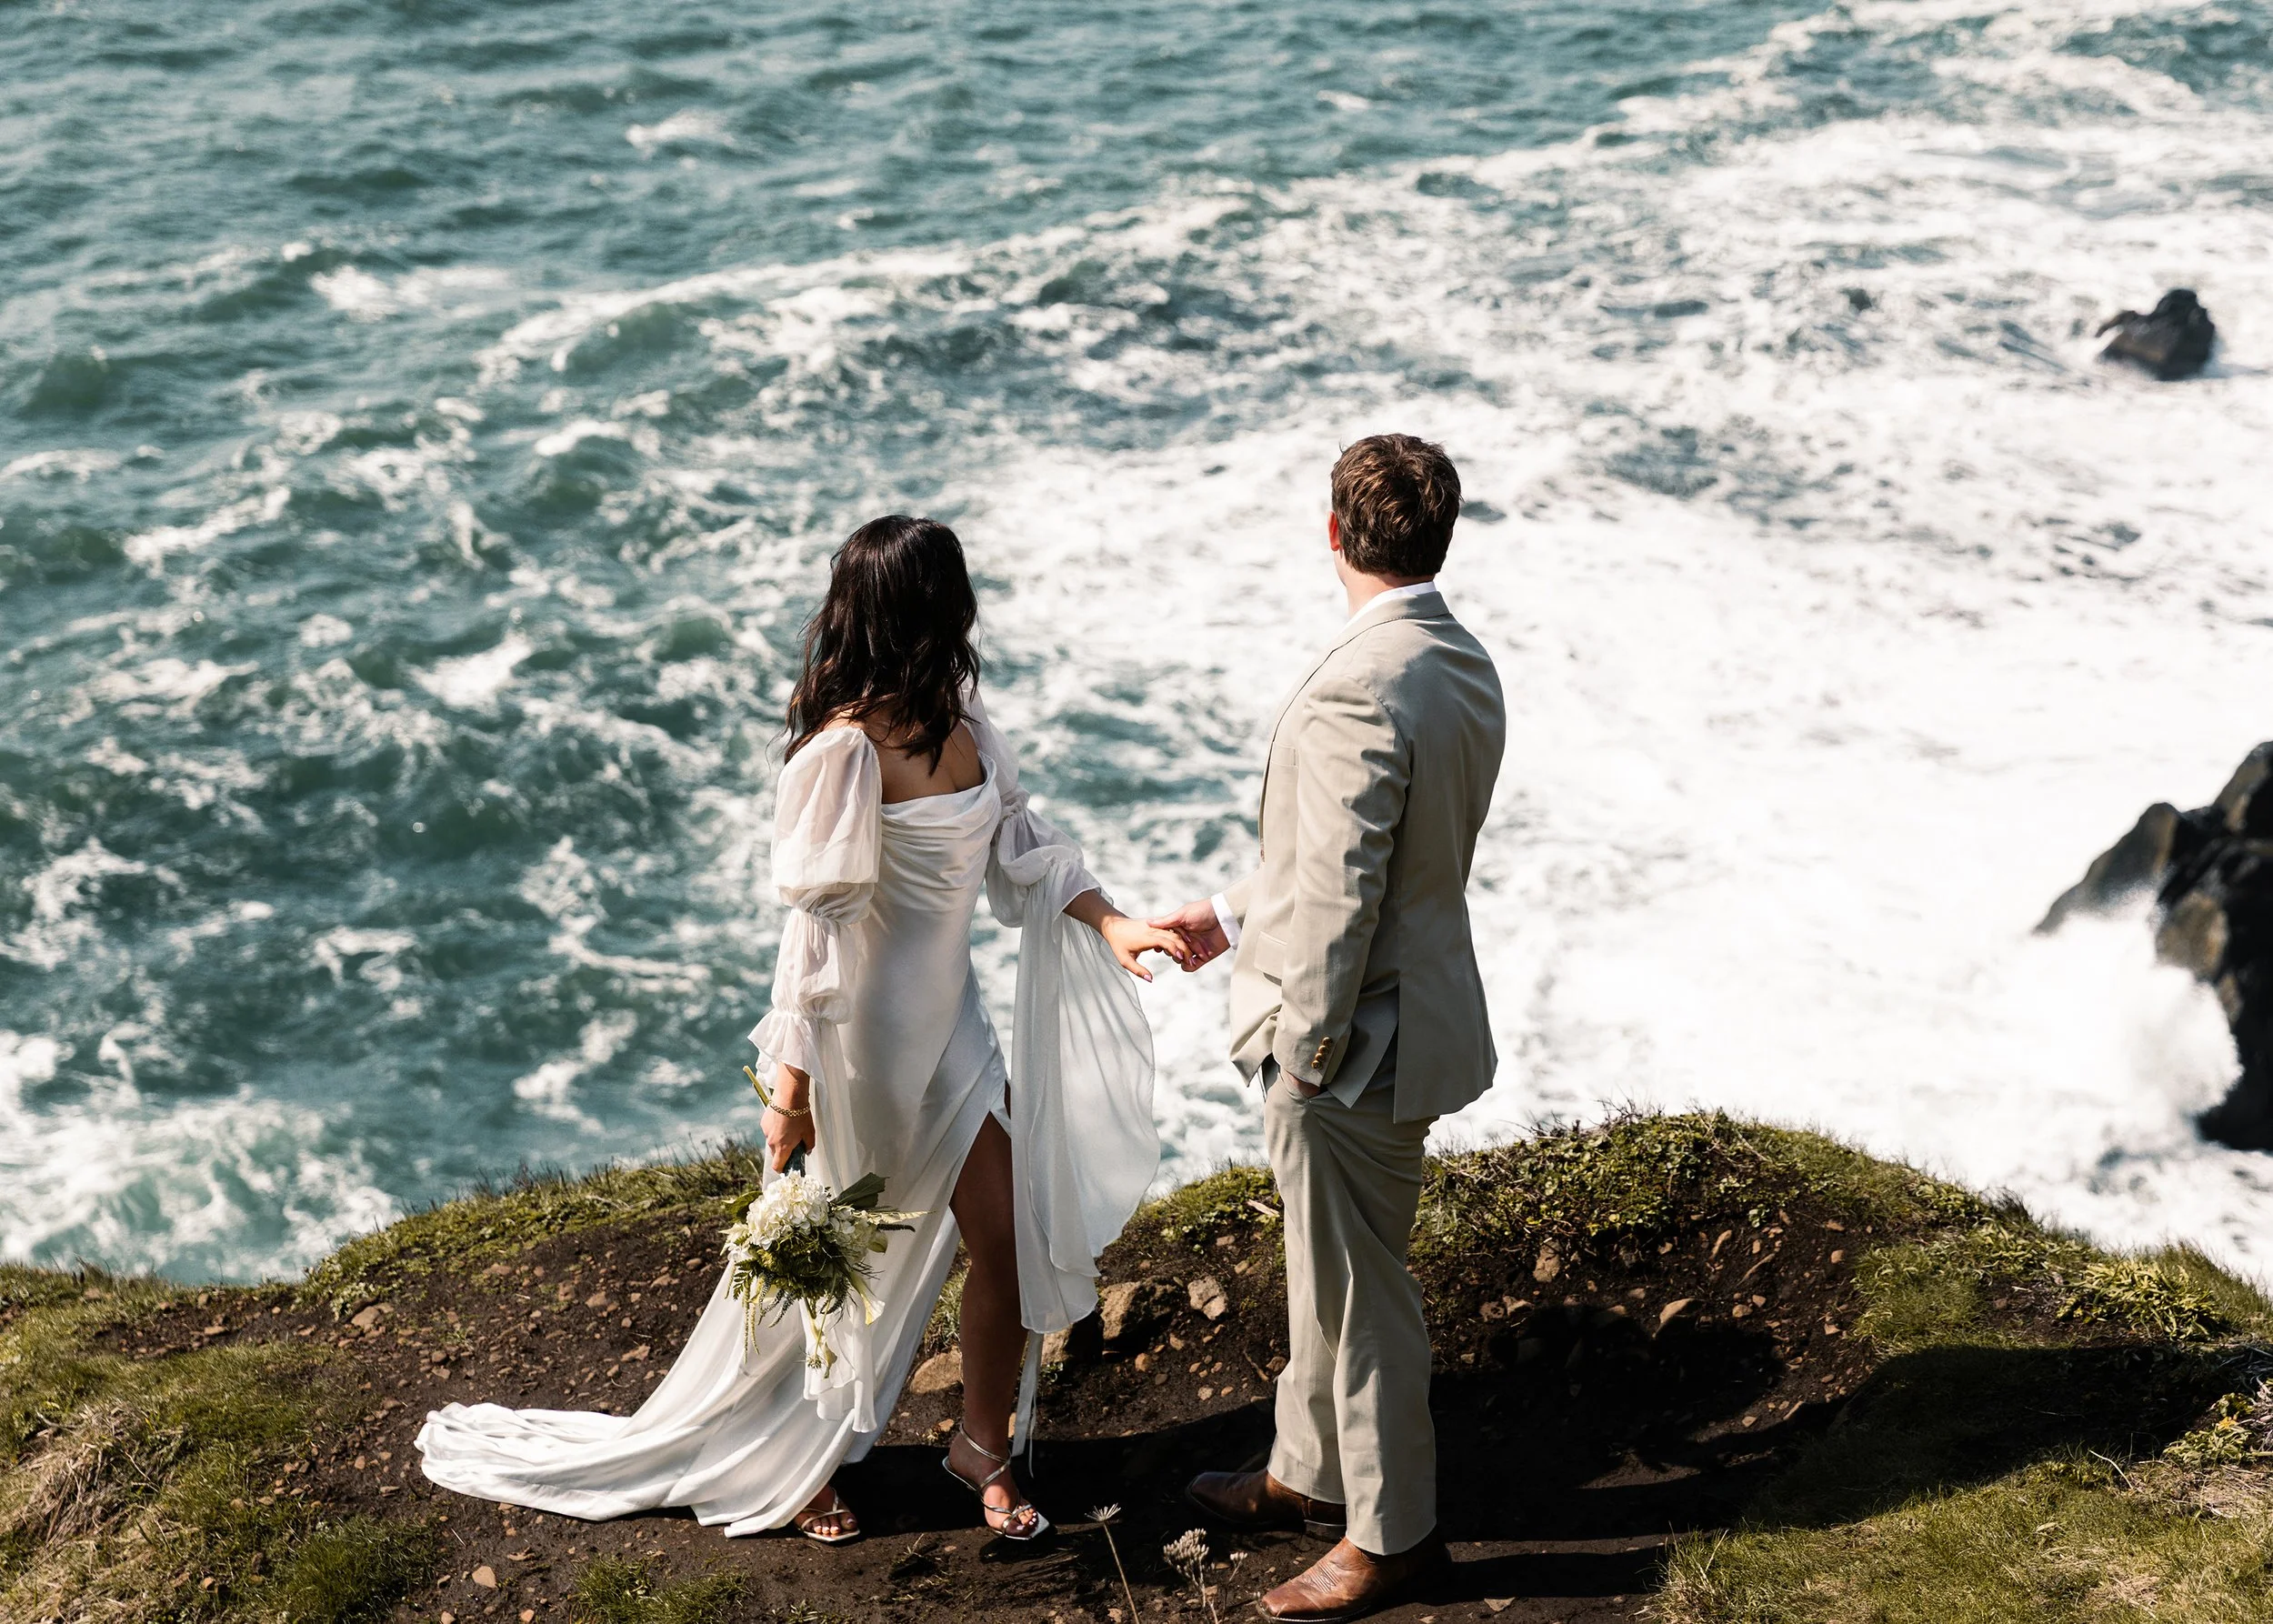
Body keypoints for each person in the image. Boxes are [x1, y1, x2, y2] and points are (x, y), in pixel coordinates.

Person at [417, 515, 1184, 1544]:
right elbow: (811, 938)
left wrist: (1117, 922)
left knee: (1007, 1237)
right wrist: (789, 1085)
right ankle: (794, 1461)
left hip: (952, 1034)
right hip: (859, 1048)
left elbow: (1026, 850)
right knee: (832, 1264)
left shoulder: (966, 725)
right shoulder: (841, 753)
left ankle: (980, 1447)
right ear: (933, 609)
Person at [1154, 435, 1506, 1622]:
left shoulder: (1361, 679)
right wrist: (1229, 909)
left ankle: (1391, 1534)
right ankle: (1307, 1470)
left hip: (1355, 1043)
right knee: (1333, 1267)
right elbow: (1384, 856)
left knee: (1364, 1299)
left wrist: (1305, 1049)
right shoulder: (1460, 661)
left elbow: (1350, 887)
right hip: (1419, 1016)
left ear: (1333, 532)